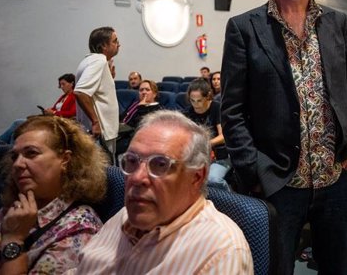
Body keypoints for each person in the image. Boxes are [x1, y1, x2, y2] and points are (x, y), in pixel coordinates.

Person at [221, 0, 347, 274]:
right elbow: (232, 110)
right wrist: (254, 173)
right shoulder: (244, 28)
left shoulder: (337, 23)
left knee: (340, 269)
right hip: (278, 185)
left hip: (336, 179)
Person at [74, 110, 252, 273]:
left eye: (160, 164)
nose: (136, 178)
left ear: (197, 177)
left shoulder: (220, 253)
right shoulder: (127, 214)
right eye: (131, 161)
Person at [0, 116, 108, 274]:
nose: (18, 164)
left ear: (65, 160)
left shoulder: (79, 229)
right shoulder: (16, 206)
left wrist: (13, 240)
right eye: (15, 157)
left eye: (31, 153)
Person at [74, 26, 121, 162]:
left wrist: (109, 78)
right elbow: (81, 92)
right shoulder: (99, 61)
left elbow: (96, 93)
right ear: (103, 46)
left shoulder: (89, 60)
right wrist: (95, 122)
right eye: (115, 41)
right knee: (105, 176)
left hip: (98, 132)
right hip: (100, 133)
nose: (119, 44)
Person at [0, 73, 78, 144]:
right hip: (53, 120)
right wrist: (48, 111)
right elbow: (54, 109)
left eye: (63, 84)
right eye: (60, 85)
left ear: (71, 83)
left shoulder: (74, 96)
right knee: (18, 128)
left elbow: (73, 113)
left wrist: (54, 113)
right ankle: (6, 146)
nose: (61, 87)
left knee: (18, 123)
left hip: (60, 123)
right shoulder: (63, 97)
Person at [182, 79, 230, 190]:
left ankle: (229, 200)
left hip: (220, 155)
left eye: (199, 100)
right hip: (197, 156)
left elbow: (223, 137)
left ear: (207, 96)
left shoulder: (217, 108)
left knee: (213, 179)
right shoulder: (188, 112)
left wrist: (205, 143)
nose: (196, 104)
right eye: (192, 100)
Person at [116, 80, 163, 154]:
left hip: (134, 139)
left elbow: (139, 125)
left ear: (154, 94)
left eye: (147, 90)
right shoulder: (136, 104)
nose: (144, 92)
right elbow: (123, 117)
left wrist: (142, 108)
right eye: (141, 90)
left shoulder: (157, 109)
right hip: (121, 132)